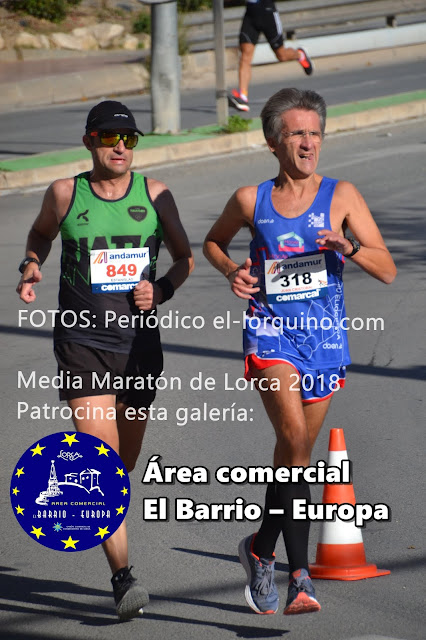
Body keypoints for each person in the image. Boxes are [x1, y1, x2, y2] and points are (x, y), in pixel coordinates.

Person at [204, 88, 396, 615]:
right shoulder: (251, 200)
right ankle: (299, 577)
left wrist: (349, 247)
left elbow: (387, 268)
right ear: (273, 143)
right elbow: (213, 242)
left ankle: (259, 546)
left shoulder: (342, 195)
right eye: (297, 134)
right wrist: (232, 270)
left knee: (294, 460)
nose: (309, 143)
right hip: (270, 334)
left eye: (315, 133)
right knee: (292, 439)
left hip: (324, 341)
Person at [16, 100, 194, 621]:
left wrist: (161, 290)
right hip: (82, 343)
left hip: (138, 347)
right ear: (89, 141)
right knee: (101, 462)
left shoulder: (155, 194)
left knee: (124, 461)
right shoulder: (65, 193)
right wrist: (31, 263)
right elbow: (40, 234)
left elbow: (184, 258)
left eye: (129, 138)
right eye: (110, 137)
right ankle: (123, 577)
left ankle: (105, 512)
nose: (120, 146)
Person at [229, 0, 313, 113]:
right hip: (250, 13)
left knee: (281, 55)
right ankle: (243, 96)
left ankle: (299, 54)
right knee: (245, 55)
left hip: (267, 11)